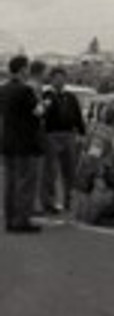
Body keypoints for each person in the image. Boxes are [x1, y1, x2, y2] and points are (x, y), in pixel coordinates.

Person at [1, 56, 44, 232]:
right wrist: (43, 105)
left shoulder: (2, 90)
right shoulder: (25, 90)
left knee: (10, 182)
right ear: (22, 69)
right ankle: (22, 220)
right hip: (25, 141)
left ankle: (10, 218)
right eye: (26, 68)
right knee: (25, 182)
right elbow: (37, 112)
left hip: (7, 141)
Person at [40, 67, 86, 214]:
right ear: (52, 80)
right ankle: (49, 201)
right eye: (57, 78)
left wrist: (82, 132)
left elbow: (78, 116)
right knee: (50, 171)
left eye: (62, 78)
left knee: (70, 170)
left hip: (68, 134)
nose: (60, 81)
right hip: (51, 134)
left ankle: (69, 200)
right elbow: (42, 115)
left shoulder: (71, 97)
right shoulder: (46, 95)